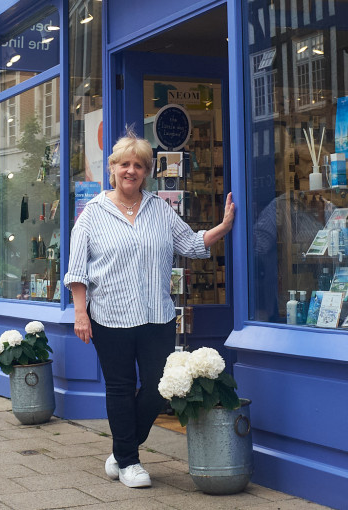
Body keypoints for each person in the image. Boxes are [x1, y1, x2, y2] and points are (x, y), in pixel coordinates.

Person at [64, 129, 235, 489]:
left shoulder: (160, 209)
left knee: (160, 388)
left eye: (139, 165)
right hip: (109, 317)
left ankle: (121, 449)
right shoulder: (93, 214)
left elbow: (189, 242)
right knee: (121, 388)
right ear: (112, 168)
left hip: (157, 315)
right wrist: (81, 314)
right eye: (124, 164)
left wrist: (222, 227)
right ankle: (129, 462)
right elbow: (77, 271)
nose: (131, 170)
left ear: (147, 170)